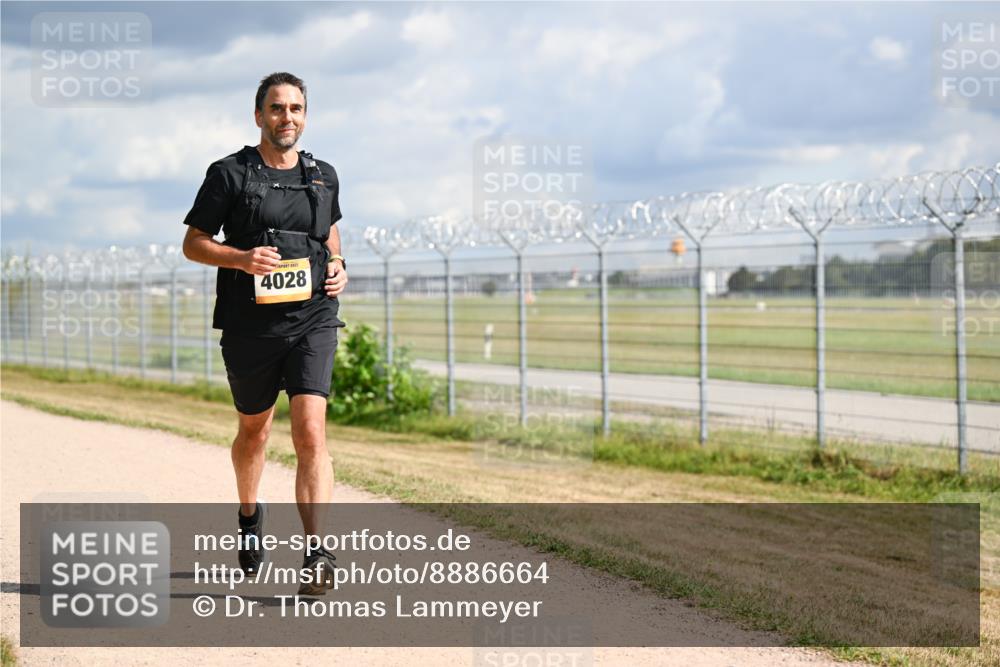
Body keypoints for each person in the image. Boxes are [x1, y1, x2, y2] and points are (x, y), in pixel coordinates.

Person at [181, 72, 346, 595]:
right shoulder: (229, 174)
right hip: (250, 324)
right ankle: (250, 514)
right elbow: (194, 243)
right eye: (277, 108)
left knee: (311, 432)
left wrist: (339, 262)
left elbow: (329, 230)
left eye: (296, 108)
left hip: (314, 317)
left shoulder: (323, 176)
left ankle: (318, 553)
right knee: (255, 431)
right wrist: (241, 258)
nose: (287, 118)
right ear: (259, 116)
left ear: (305, 115)